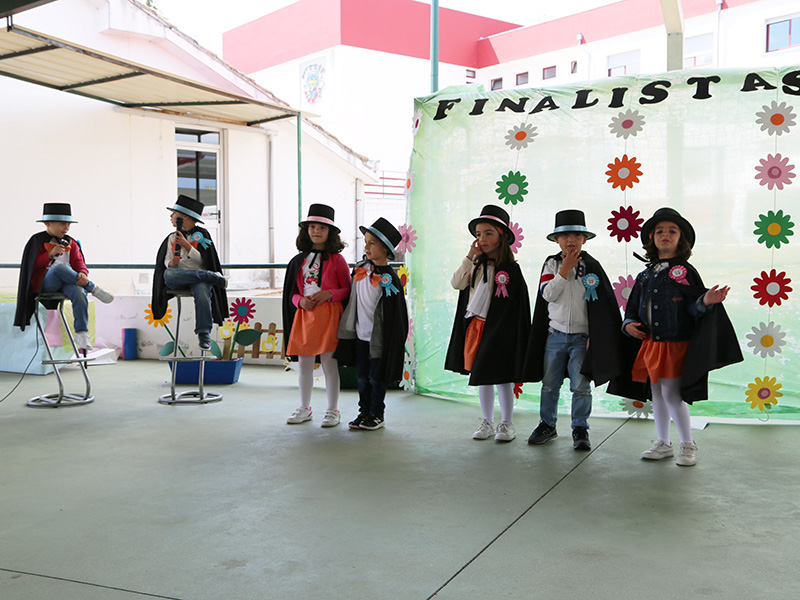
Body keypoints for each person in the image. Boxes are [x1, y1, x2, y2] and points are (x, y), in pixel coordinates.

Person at [619, 207, 742, 466]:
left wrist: (706, 301)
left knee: (671, 394)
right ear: (652, 238)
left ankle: (688, 444)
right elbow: (631, 308)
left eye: (672, 231)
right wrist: (628, 324)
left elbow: (692, 307)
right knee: (657, 392)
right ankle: (663, 442)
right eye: (660, 231)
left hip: (675, 344)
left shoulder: (685, 272)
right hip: (652, 344)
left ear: (681, 238)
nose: (665, 235)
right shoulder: (645, 275)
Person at [524, 209, 625, 451]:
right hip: (555, 337)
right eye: (565, 235)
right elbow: (547, 294)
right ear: (556, 240)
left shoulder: (592, 266)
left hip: (582, 338)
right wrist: (564, 270)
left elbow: (602, 306)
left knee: (580, 386)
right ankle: (547, 424)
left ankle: (580, 428)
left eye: (576, 235)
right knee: (550, 383)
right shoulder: (551, 264)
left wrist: (596, 337)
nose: (571, 240)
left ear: (584, 239)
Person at [444, 205, 531, 442]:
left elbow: (517, 307)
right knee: (482, 374)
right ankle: (487, 421)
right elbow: (456, 284)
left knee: (502, 376)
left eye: (488, 233)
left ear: (501, 237)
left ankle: (507, 423)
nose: (482, 239)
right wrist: (469, 258)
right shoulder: (475, 265)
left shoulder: (511, 270)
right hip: (477, 327)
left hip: (501, 331)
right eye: (478, 234)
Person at [282, 204, 351, 427]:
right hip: (305, 316)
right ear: (306, 230)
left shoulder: (338, 260)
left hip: (330, 316)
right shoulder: (297, 261)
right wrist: (299, 301)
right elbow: (291, 293)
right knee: (304, 364)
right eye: (312, 226)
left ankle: (333, 410)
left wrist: (328, 294)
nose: (316, 231)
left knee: (330, 363)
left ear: (330, 232)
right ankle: (305, 407)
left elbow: (348, 290)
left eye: (322, 227)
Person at [336, 218, 408, 431]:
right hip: (360, 335)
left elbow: (396, 315)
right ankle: (364, 412)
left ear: (385, 249)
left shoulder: (390, 280)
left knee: (376, 378)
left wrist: (392, 341)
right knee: (361, 377)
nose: (366, 247)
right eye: (365, 242)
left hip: (378, 340)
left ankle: (377, 414)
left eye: (372, 243)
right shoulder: (360, 269)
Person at [15, 203, 114, 350]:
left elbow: (79, 262)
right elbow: (30, 266)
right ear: (47, 223)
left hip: (68, 283)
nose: (66, 228)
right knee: (61, 268)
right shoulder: (36, 241)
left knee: (79, 292)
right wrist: (49, 254)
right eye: (62, 224)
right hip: (46, 283)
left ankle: (81, 332)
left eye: (68, 224)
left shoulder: (71, 243)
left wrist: (82, 274)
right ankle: (93, 288)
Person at [152, 195, 228, 350]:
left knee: (202, 291)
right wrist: (171, 262)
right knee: (170, 274)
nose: (171, 217)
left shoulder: (202, 235)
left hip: (197, 276)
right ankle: (210, 277)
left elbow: (205, 261)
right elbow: (165, 262)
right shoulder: (171, 237)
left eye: (174, 213)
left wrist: (187, 246)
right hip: (178, 276)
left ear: (184, 217)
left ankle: (203, 332)